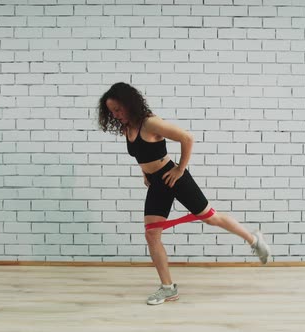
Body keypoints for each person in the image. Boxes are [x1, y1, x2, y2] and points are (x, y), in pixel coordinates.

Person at [98, 82, 271, 305]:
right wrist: (145, 172)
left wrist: (180, 169)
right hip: (157, 183)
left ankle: (254, 240)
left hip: (174, 178)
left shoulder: (150, 122)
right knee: (152, 235)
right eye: (112, 111)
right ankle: (168, 288)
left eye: (118, 109)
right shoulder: (127, 127)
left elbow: (186, 138)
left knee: (211, 218)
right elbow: (143, 153)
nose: (116, 114)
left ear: (128, 103)